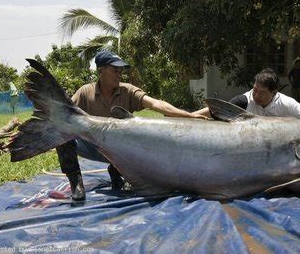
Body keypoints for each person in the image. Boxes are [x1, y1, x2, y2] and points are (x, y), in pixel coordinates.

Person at [57, 50, 207, 201]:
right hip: (93, 146)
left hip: (122, 150)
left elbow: (155, 103)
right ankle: (76, 182)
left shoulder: (127, 91)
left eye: (120, 71)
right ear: (100, 70)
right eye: (114, 70)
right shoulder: (85, 92)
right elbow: (65, 113)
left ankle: (118, 172)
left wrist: (190, 115)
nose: (119, 74)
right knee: (62, 132)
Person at [193, 68, 300, 136]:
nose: (256, 95)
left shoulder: (287, 105)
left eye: (262, 92)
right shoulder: (245, 100)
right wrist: (187, 116)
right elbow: (215, 110)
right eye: (255, 89)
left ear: (274, 92)